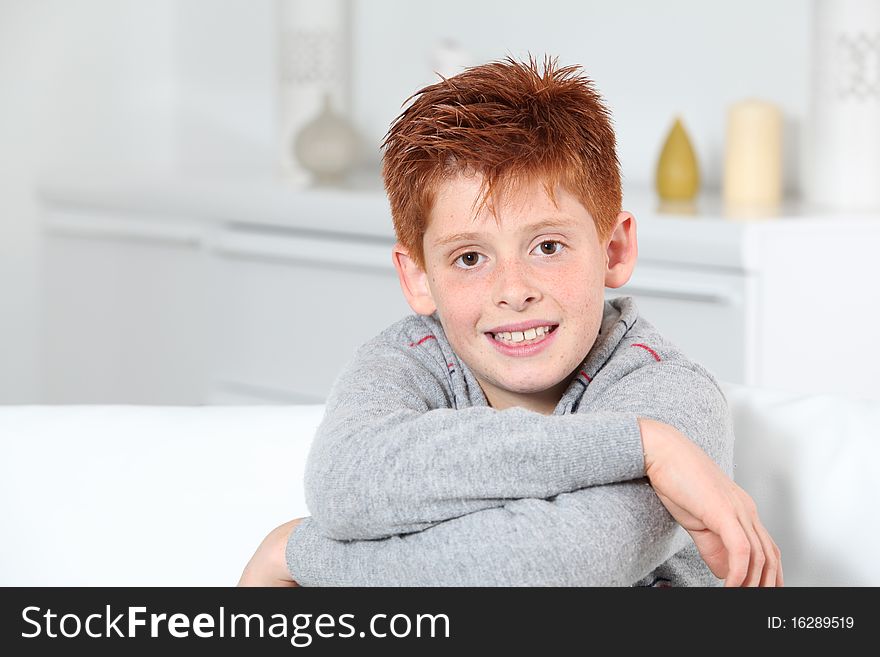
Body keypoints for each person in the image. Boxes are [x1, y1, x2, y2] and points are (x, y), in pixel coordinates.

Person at [238, 56, 782, 587]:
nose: (514, 291)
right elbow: (343, 482)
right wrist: (637, 446)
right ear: (419, 277)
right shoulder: (407, 360)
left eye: (548, 246)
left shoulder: (669, 394)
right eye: (470, 258)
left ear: (613, 249)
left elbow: (547, 565)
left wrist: (292, 554)